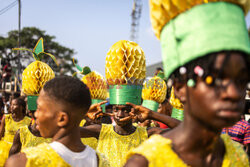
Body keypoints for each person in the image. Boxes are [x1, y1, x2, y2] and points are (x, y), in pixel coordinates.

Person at [125, 0, 250, 166]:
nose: (234, 92)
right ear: (180, 87)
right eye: (216, 79)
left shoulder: (238, 156)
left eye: (241, 80)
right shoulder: (145, 163)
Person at [80, 40, 181, 167]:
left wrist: (151, 114)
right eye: (116, 109)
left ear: (135, 109)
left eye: (126, 109)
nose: (120, 114)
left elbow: (184, 130)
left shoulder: (147, 134)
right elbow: (61, 130)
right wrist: (83, 115)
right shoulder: (100, 131)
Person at [6, 76, 109, 167]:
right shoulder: (100, 161)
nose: (36, 114)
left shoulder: (23, 162)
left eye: (40, 109)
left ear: (62, 119)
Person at [0, 97, 31, 166]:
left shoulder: (28, 121)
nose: (11, 106)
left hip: (19, 150)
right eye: (11, 104)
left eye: (14, 104)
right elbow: (0, 134)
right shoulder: (6, 118)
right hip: (4, 150)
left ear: (22, 107)